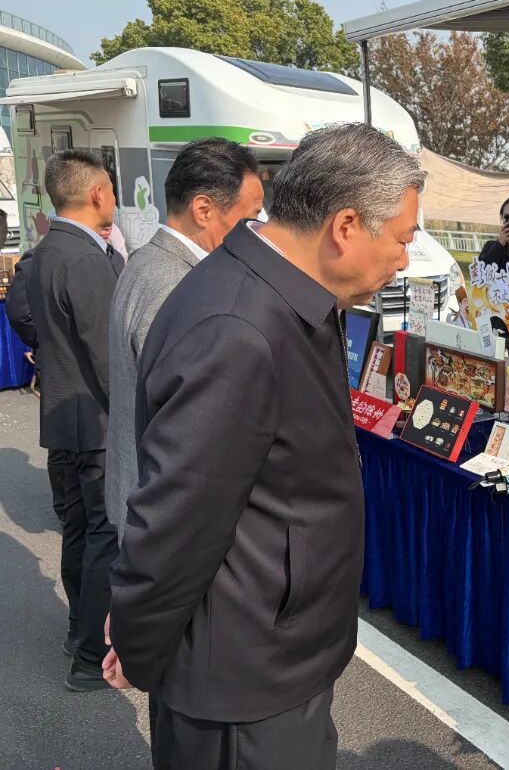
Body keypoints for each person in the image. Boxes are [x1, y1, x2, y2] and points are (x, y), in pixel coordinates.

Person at [107, 123, 425, 769]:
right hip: (241, 682)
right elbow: (176, 521)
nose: (404, 260)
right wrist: (139, 644)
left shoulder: (285, 295)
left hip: (274, 652)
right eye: (401, 238)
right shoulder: (238, 327)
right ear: (345, 226)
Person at [105, 138, 263, 542]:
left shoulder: (145, 260)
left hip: (140, 496)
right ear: (203, 209)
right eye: (250, 218)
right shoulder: (180, 286)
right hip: (163, 516)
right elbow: (188, 430)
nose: (257, 231)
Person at [27, 150, 122, 691]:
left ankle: (77, 631)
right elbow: (108, 357)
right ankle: (91, 655)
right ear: (96, 193)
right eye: (110, 189)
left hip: (64, 415)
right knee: (105, 538)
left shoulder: (48, 249)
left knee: (82, 534)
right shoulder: (84, 258)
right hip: (97, 421)